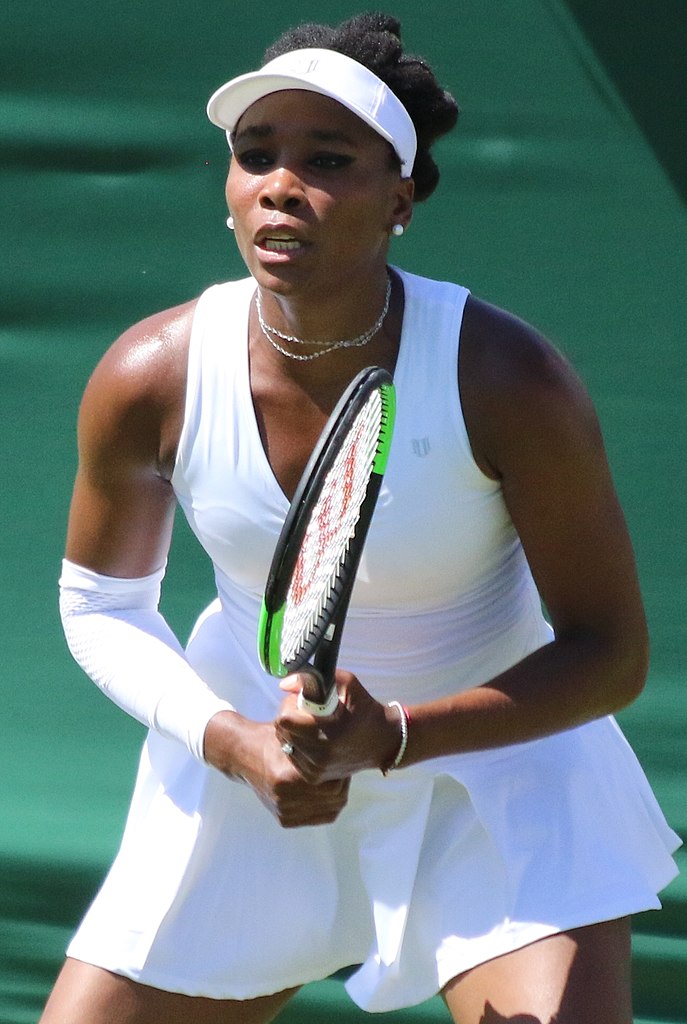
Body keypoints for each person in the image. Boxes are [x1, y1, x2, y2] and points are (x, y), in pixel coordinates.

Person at [40, 12, 679, 1024]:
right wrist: (231, 738)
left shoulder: (507, 378)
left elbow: (610, 653)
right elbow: (101, 606)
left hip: (495, 766)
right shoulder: (149, 375)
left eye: (327, 159)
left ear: (401, 203)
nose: (280, 185)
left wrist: (397, 739)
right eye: (255, 156)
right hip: (253, 757)